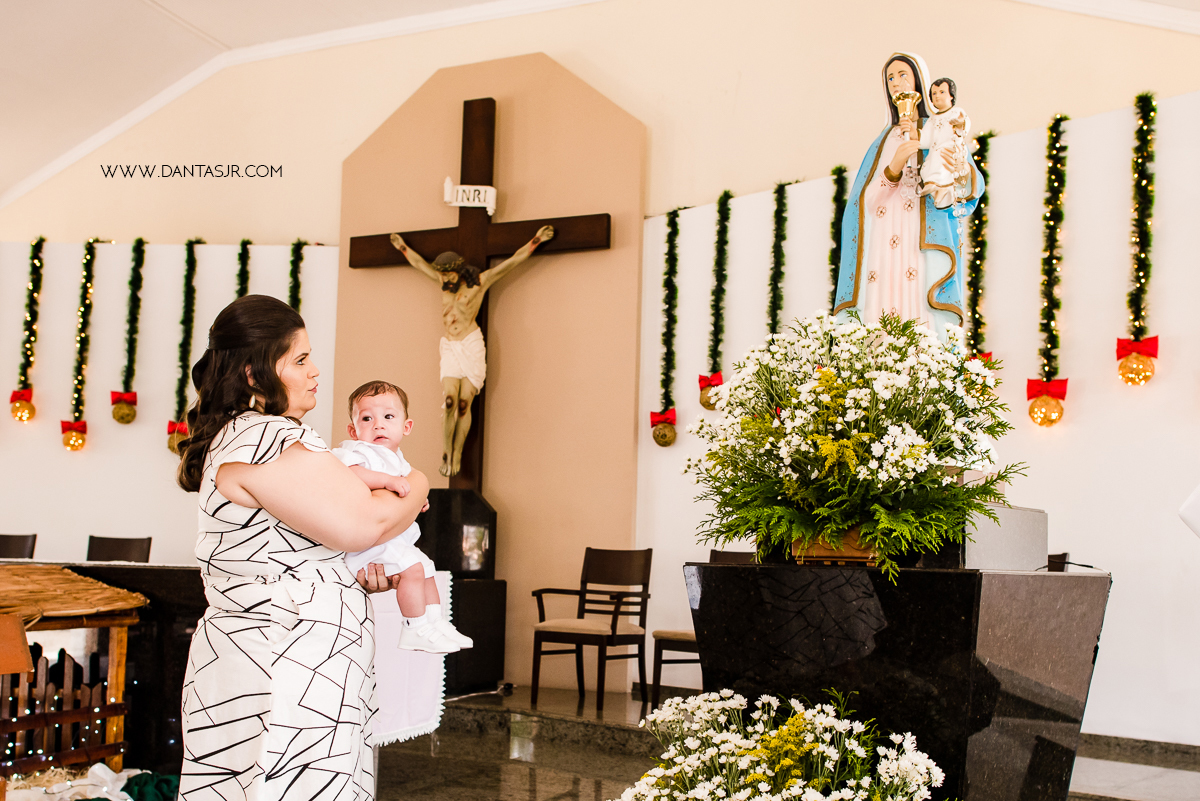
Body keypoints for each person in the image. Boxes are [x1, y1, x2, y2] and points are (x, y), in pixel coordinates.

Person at [176, 294, 429, 801]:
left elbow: (304, 550)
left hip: (285, 659)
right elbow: (365, 524)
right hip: (285, 672)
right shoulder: (265, 438)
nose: (316, 371)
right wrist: (419, 484)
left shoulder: (253, 436)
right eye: (301, 359)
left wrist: (349, 576)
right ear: (254, 373)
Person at [832, 52, 984, 343]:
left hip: (921, 238)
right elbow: (860, 206)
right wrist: (892, 169)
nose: (896, 83)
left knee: (920, 304)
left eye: (903, 74)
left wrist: (958, 168)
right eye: (890, 78)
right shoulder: (884, 140)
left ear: (919, 79)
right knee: (881, 306)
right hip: (882, 243)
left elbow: (968, 190)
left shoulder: (938, 129)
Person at [388, 225, 554, 477]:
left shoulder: (480, 283)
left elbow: (511, 262)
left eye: (448, 275)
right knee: (450, 401)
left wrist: (536, 240)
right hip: (451, 346)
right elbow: (420, 264)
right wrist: (402, 247)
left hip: (471, 343)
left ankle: (457, 453)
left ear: (458, 271)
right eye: (441, 276)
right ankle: (445, 450)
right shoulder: (443, 283)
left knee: (464, 404)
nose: (443, 280)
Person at [334, 380, 473, 653]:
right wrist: (386, 481)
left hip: (393, 541)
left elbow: (406, 491)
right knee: (414, 569)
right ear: (353, 430)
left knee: (427, 567)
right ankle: (415, 626)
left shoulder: (399, 460)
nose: (378, 425)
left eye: (388, 417)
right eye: (366, 418)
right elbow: (349, 474)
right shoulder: (356, 452)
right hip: (368, 544)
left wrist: (416, 501)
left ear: (405, 426)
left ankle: (435, 621)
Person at [918, 77, 971, 209]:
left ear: (951, 96)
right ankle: (937, 192)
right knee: (930, 165)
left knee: (942, 163)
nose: (937, 97)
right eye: (934, 94)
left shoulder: (956, 112)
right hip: (935, 149)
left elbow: (964, 123)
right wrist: (914, 134)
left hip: (950, 149)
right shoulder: (932, 119)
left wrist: (960, 124)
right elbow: (924, 139)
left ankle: (943, 192)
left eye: (942, 92)